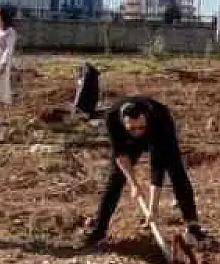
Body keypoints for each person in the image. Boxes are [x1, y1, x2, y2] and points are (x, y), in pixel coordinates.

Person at [83, 97, 210, 248]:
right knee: (116, 178)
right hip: (127, 142)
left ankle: (193, 226)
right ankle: (99, 230)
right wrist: (133, 183)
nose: (137, 132)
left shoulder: (159, 119)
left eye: (141, 127)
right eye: (133, 128)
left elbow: (157, 167)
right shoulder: (112, 118)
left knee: (177, 172)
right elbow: (120, 154)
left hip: (160, 133)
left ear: (146, 119)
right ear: (124, 121)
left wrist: (153, 209)